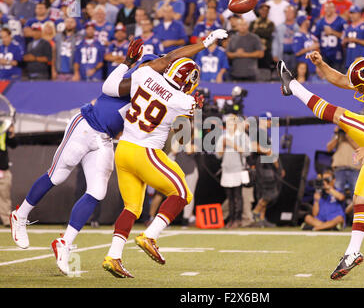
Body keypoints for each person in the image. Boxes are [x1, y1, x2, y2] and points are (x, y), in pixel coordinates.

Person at [10, 50, 159, 274]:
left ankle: (64, 242)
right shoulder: (127, 80)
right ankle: (20, 215)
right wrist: (127, 62)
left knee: (98, 191)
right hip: (86, 126)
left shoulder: (151, 95)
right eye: (151, 67)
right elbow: (110, 85)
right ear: (141, 67)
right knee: (57, 175)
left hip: (104, 139)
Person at [277, 48, 364, 279]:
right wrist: (321, 64)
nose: (360, 92)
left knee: (340, 115)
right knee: (361, 198)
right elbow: (341, 79)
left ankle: (292, 86)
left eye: (362, 88)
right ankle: (352, 253)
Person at [100, 29, 228, 278]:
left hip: (123, 149)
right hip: (145, 152)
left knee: (132, 208)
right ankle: (150, 235)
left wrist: (202, 43)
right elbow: (190, 120)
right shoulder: (183, 100)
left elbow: (169, 57)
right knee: (182, 192)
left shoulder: (144, 72)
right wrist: (196, 106)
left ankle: (113, 256)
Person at [216, 114, 251, 228]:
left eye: (231, 123)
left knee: (238, 195)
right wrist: (224, 146)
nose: (229, 125)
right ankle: (231, 219)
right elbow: (218, 155)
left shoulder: (242, 136)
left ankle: (238, 219)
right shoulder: (223, 137)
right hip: (226, 169)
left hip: (238, 169)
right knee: (230, 197)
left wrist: (233, 145)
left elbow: (247, 152)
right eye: (227, 123)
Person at [250, 113, 284, 228]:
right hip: (263, 164)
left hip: (268, 164)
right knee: (269, 193)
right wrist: (266, 151)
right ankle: (255, 213)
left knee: (267, 192)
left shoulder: (265, 134)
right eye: (269, 120)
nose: (270, 122)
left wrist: (279, 167)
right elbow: (254, 146)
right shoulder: (257, 132)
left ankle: (262, 219)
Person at [326, 126, 360, 198]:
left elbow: (359, 149)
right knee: (337, 193)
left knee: (356, 194)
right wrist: (336, 134)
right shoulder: (338, 137)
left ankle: (354, 209)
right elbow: (329, 148)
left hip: (354, 170)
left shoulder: (358, 135)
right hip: (339, 170)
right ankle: (338, 209)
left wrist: (349, 136)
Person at [312, 1, 347, 71]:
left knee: (336, 76)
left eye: (330, 7)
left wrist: (332, 32)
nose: (328, 9)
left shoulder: (341, 21)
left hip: (337, 53)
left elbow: (346, 37)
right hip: (323, 53)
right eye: (326, 8)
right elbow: (314, 37)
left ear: (334, 9)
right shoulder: (320, 22)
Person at [342, 5, 364, 69]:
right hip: (350, 58)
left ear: (359, 14)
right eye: (351, 13)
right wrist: (345, 41)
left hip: (362, 58)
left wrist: (356, 40)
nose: (352, 15)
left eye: (354, 13)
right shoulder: (348, 27)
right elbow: (343, 42)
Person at [272, 5, 299, 72]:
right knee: (283, 74)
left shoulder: (298, 27)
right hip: (283, 54)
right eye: (286, 12)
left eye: (290, 12)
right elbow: (275, 41)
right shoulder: (279, 27)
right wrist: (275, 54)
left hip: (295, 55)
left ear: (294, 14)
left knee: (294, 74)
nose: (288, 14)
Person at [249, 3, 275, 70]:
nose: (264, 12)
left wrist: (256, 31)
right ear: (259, 11)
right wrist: (263, 31)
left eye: (266, 10)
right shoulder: (253, 22)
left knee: (265, 69)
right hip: (254, 50)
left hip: (266, 50)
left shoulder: (271, 23)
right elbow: (250, 34)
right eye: (262, 10)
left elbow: (267, 34)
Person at [0, 124, 16, 227]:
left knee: (5, 197)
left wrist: (11, 133)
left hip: (3, 170)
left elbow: (14, 144)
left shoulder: (3, 128)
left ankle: (6, 220)